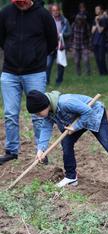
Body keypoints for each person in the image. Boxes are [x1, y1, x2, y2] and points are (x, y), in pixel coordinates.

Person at [26, 90, 108, 188]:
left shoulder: (66, 102)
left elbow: (88, 112)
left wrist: (76, 127)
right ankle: (71, 177)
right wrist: (41, 149)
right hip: (76, 121)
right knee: (66, 143)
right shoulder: (49, 112)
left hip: (94, 114)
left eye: (38, 113)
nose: (38, 116)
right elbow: (45, 129)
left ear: (45, 105)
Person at [0, 0, 57, 165]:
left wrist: (36, 56)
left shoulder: (43, 15)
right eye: (18, 2)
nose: (22, 5)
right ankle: (11, 151)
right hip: (10, 72)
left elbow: (52, 41)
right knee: (10, 114)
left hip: (35, 73)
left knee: (39, 115)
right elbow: (2, 39)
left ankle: (41, 152)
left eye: (24, 2)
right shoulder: (5, 13)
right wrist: (12, 52)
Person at [46, 4, 71, 85]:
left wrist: (61, 35)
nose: (55, 12)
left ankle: (59, 81)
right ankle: (46, 81)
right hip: (51, 46)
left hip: (61, 47)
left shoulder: (65, 21)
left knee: (60, 65)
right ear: (51, 11)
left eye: (57, 10)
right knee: (48, 64)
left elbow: (69, 33)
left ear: (59, 11)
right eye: (53, 10)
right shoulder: (49, 20)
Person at [91, 5, 108, 75]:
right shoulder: (95, 19)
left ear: (101, 10)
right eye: (95, 9)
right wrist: (96, 22)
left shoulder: (104, 19)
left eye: (97, 9)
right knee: (97, 58)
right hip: (95, 41)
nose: (96, 11)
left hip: (101, 41)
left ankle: (105, 73)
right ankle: (101, 73)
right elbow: (92, 31)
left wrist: (97, 23)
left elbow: (100, 30)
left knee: (102, 58)